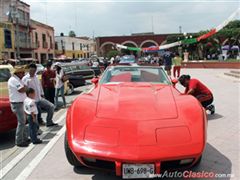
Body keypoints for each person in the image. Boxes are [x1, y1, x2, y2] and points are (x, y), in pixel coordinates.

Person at [8, 66, 29, 147]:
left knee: (23, 121)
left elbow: (24, 88)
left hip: (21, 103)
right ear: (18, 73)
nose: (23, 74)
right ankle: (19, 141)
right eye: (22, 72)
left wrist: (25, 88)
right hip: (17, 103)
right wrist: (25, 88)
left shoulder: (18, 80)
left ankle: (24, 138)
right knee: (21, 122)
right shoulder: (13, 80)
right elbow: (21, 89)